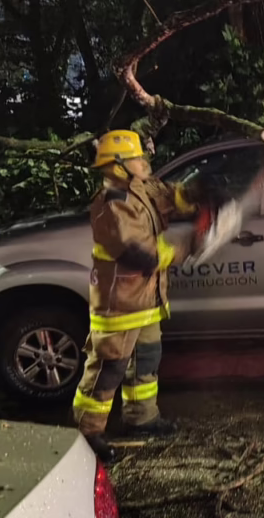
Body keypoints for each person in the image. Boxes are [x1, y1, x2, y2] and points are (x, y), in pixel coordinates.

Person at [73, 129, 201, 462]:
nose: (144, 161)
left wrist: (195, 193)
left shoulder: (138, 188)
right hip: (119, 304)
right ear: (118, 165)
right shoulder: (112, 205)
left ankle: (141, 418)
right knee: (108, 369)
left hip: (145, 301)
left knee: (146, 361)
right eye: (136, 157)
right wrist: (185, 247)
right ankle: (87, 434)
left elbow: (168, 195)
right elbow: (139, 255)